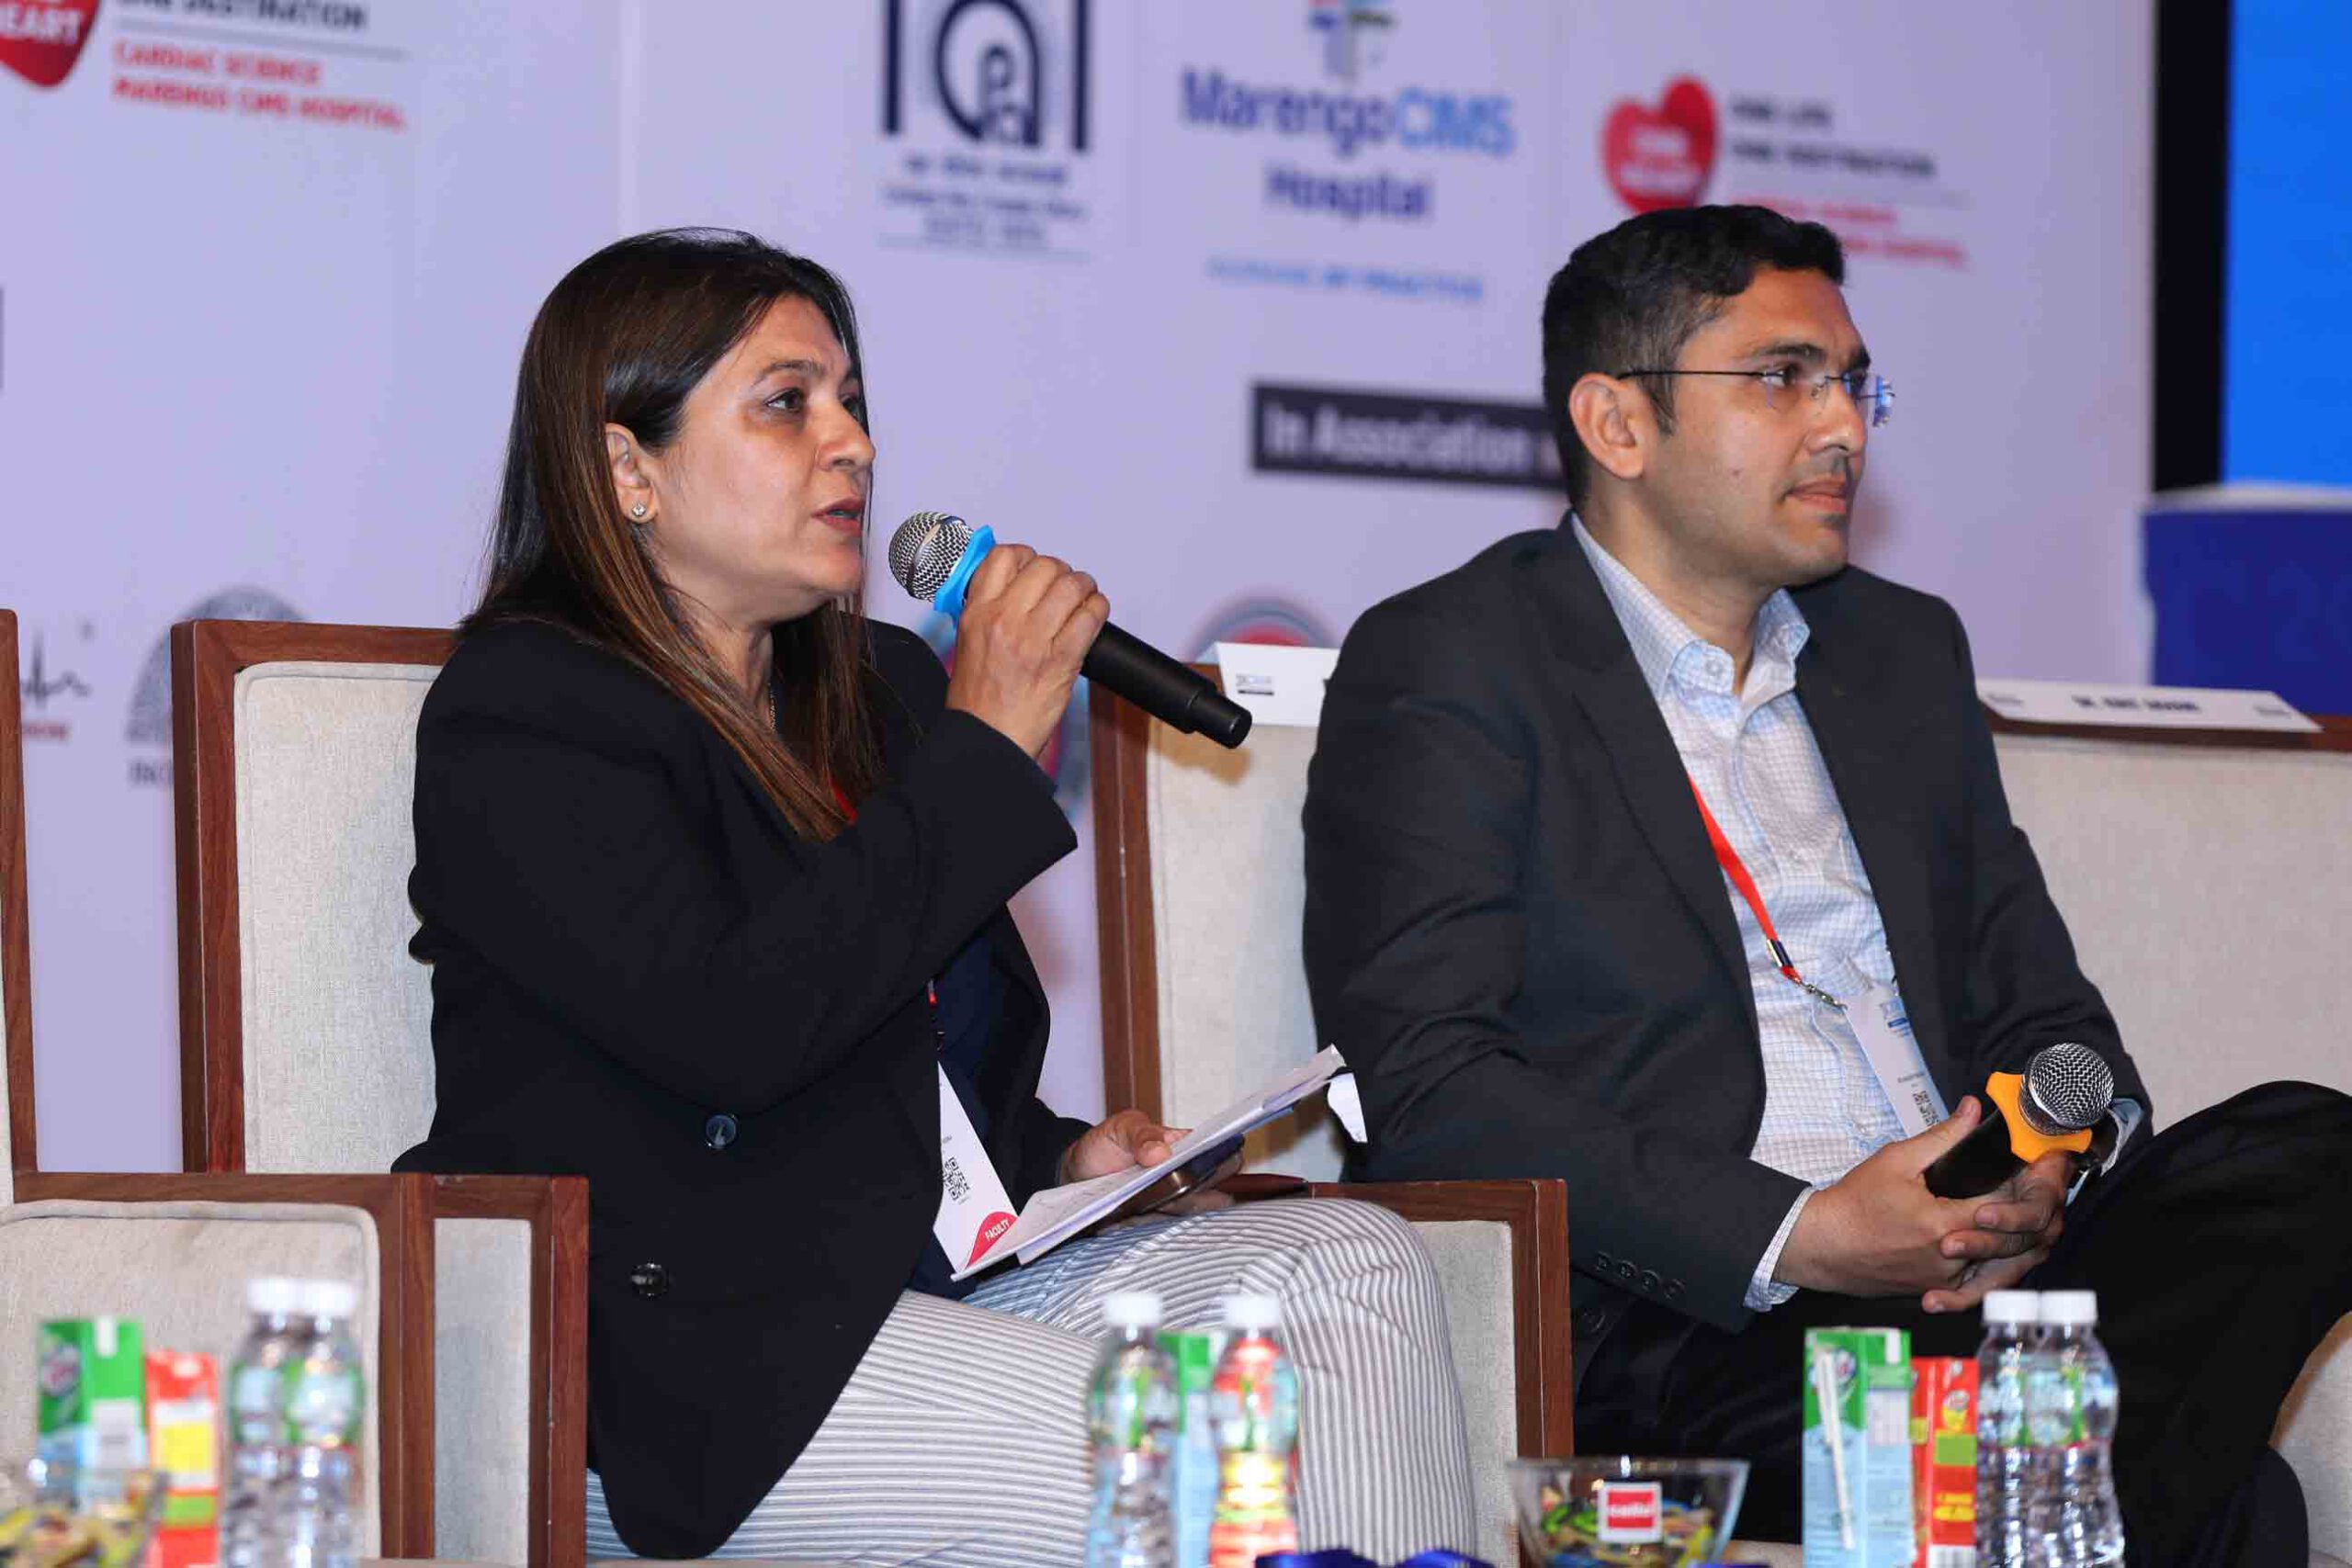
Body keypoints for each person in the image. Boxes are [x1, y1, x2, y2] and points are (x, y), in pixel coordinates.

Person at [394, 229, 1476, 1562]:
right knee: (1179, 1445)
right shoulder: (528, 713)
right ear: (629, 471)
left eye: (851, 401)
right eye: (787, 403)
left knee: (1352, 1263)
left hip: (915, 1290)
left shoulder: (883, 692)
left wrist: (1063, 1164)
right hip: (680, 1365)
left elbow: (906, 1049)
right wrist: (988, 748)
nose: (850, 442)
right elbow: (730, 1032)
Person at [1301, 204, 2352, 1563]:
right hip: (1711, 1327)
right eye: (1782, 379)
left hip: (1979, 1290)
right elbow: (1431, 1086)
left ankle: (2065, 1472)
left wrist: (2041, 1176)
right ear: (1617, 424)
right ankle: (2098, 1484)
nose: (1844, 425)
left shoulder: (1899, 655)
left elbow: (2051, 1019)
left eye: (1855, 382)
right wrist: (1803, 1233)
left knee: (2306, 1147)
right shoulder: (1454, 662)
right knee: (2236, 1506)